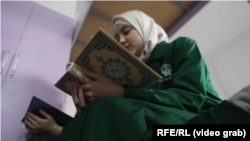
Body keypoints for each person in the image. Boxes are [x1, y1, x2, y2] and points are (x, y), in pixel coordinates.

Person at [25, 10, 250, 141]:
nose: (121, 40)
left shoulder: (180, 47)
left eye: (126, 31)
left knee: (109, 108)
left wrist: (122, 92)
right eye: (116, 37)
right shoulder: (126, 73)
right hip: (143, 116)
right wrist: (84, 106)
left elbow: (191, 98)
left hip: (194, 118)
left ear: (145, 29)